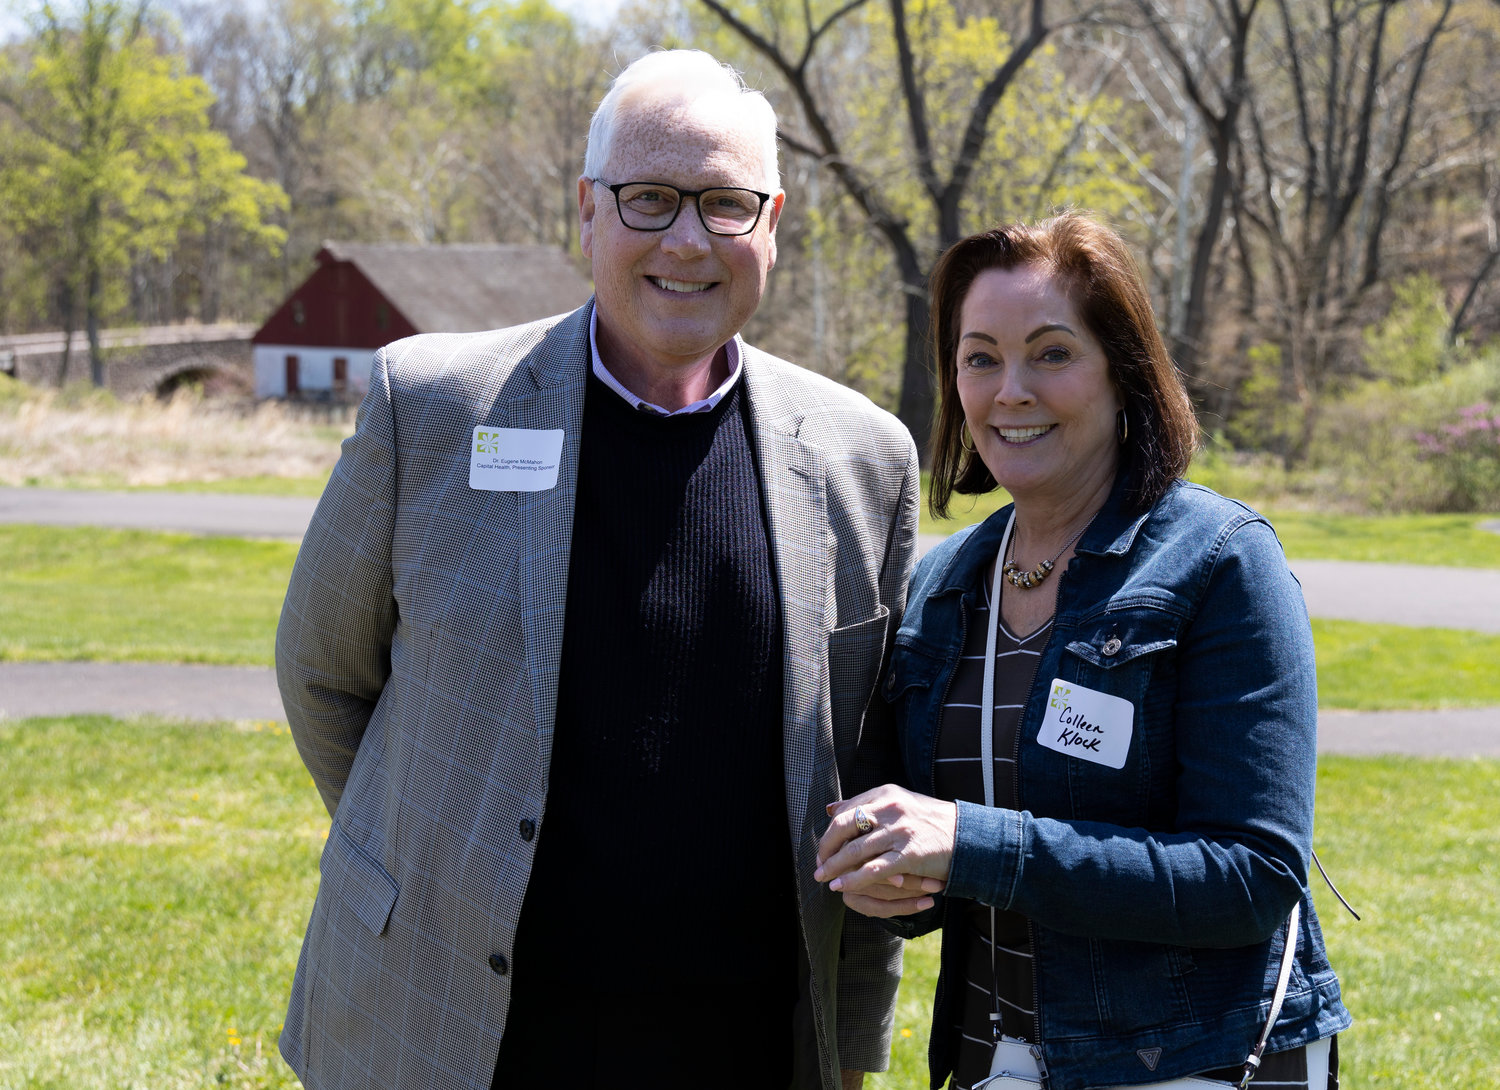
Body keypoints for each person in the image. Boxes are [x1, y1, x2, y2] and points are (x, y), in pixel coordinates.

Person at [275, 49, 918, 1090]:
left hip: (741, 1042)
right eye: (650, 198)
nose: (686, 238)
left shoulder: (865, 456)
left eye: (724, 204)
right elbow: (321, 672)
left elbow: (864, 758)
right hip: (456, 1030)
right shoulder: (434, 404)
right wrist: (441, 852)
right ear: (587, 211)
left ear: (773, 224)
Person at [814, 213, 1350, 1090]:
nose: (1010, 390)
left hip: (1194, 1058)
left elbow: (1253, 877)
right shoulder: (946, 585)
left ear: (1122, 374)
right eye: (980, 357)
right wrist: (894, 877)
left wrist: (974, 844)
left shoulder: (1219, 561)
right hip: (996, 1058)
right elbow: (952, 852)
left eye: (1052, 353)